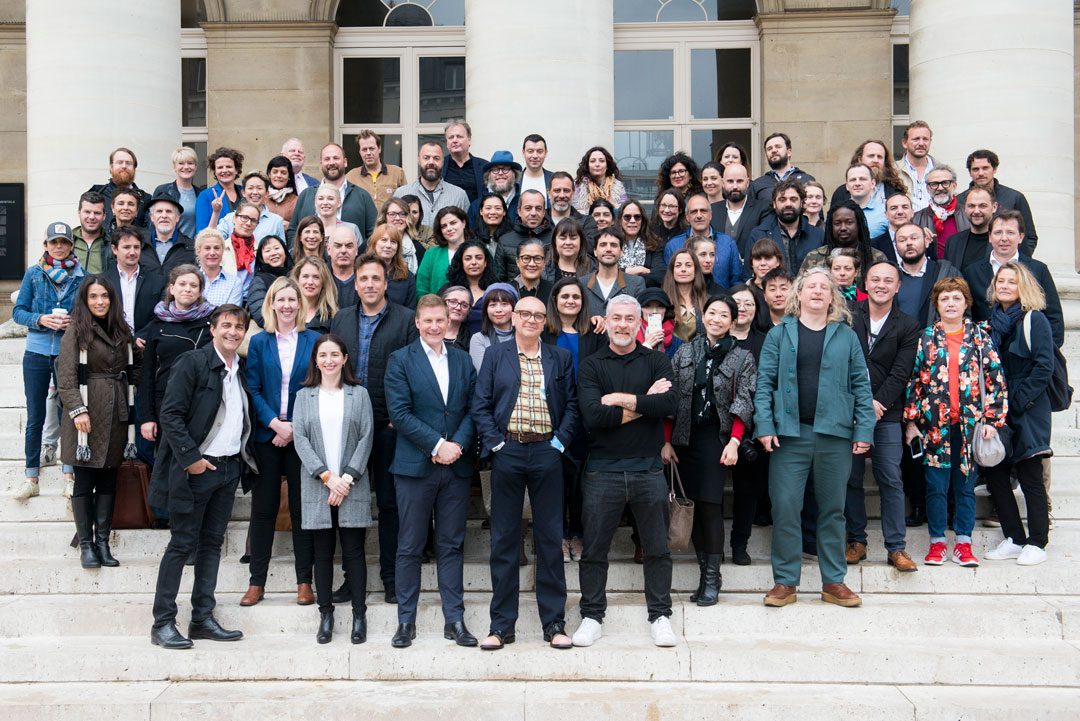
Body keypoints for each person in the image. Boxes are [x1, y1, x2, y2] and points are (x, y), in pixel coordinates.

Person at [754, 267, 875, 608]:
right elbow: (764, 385)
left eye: (825, 287)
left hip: (834, 435)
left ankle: (833, 581)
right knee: (787, 507)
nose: (818, 292)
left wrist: (864, 430)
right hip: (789, 437)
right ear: (800, 295)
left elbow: (862, 388)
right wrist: (764, 425)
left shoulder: (846, 336)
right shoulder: (779, 334)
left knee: (833, 510)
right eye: (812, 287)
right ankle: (785, 582)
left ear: (833, 297)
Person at [472, 295, 579, 650]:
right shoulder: (495, 355)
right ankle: (501, 625)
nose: (531, 319)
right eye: (525, 314)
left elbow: (573, 404)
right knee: (504, 539)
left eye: (537, 315)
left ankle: (554, 624)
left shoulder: (559, 357)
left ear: (544, 321)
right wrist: (496, 444)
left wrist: (560, 442)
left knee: (550, 539)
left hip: (548, 451)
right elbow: (481, 404)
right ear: (513, 318)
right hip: (509, 451)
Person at [572, 294, 678, 648]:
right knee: (594, 549)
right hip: (602, 470)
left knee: (657, 548)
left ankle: (660, 615)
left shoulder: (656, 360)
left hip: (648, 469)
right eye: (615, 318)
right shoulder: (590, 365)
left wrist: (618, 399)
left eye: (628, 319)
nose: (621, 325)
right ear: (607, 320)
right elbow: (593, 416)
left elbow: (668, 404)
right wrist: (643, 401)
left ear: (638, 323)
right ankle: (591, 616)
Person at [148, 304, 257, 649]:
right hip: (197, 469)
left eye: (239, 327)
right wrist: (192, 460)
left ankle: (201, 618)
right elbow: (171, 414)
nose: (233, 332)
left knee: (211, 545)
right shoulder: (193, 363)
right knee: (182, 545)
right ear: (212, 329)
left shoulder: (239, 370)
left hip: (227, 469)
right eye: (226, 325)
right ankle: (162, 623)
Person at [384, 294, 478, 648]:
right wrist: (438, 446)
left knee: (452, 546)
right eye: (429, 321)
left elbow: (473, 408)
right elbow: (400, 413)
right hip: (415, 468)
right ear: (418, 323)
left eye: (441, 319)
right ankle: (405, 621)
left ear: (448, 320)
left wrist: (457, 447)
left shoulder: (462, 359)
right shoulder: (400, 361)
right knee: (409, 546)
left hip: (456, 467)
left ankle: (454, 620)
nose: (436, 325)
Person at [330, 255, 418, 603]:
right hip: (347, 427)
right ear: (356, 283)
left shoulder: (405, 320)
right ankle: (352, 580)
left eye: (375, 279)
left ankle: (392, 578)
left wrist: (400, 415)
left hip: (387, 426)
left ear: (385, 284)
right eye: (363, 278)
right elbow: (331, 366)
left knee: (390, 504)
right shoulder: (341, 318)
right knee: (350, 505)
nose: (369, 284)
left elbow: (413, 369)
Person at [904, 277, 1006, 567]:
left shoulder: (980, 337)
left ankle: (963, 543)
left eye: (956, 298)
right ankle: (937, 543)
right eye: (944, 299)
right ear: (936, 304)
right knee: (935, 486)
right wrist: (911, 421)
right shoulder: (926, 337)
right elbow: (914, 382)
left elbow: (996, 379)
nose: (950, 303)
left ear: (966, 304)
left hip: (971, 426)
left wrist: (992, 419)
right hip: (934, 426)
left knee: (964, 486)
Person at [665, 295, 756, 605]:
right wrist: (666, 440)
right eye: (712, 312)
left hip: (715, 439)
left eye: (724, 315)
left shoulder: (742, 357)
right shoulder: (685, 351)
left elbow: (744, 400)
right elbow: (672, 397)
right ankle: (705, 572)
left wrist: (734, 440)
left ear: (733, 321)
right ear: (703, 316)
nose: (717, 318)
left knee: (709, 506)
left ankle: (712, 579)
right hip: (683, 439)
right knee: (689, 507)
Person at [241, 277, 319, 607]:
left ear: (300, 304)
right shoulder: (259, 343)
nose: (287, 305)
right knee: (264, 510)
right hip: (267, 436)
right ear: (271, 304)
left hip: (301, 438)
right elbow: (252, 390)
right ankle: (257, 582)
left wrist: (293, 428)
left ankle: (304, 582)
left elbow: (317, 388)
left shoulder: (314, 340)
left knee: (302, 511)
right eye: (280, 299)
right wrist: (275, 423)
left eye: (292, 299)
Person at [292, 333, 374, 644]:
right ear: (316, 360)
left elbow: (366, 438)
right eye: (323, 355)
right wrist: (328, 478)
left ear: (344, 358)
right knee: (322, 553)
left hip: (353, 483)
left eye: (334, 354)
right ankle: (325, 615)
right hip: (319, 485)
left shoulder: (359, 394)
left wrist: (346, 479)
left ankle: (359, 614)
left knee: (354, 551)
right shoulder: (303, 396)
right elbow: (300, 440)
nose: (329, 360)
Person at [57, 275, 140, 568]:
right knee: (84, 480)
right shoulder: (75, 332)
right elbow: (65, 378)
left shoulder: (122, 330)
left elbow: (135, 367)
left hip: (116, 413)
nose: (100, 301)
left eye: (104, 296)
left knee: (108, 479)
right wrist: (78, 410)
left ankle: (103, 543)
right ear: (85, 300)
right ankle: (87, 546)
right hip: (86, 415)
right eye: (93, 297)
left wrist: (138, 354)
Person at [843, 261, 921, 572]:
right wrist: (860, 405)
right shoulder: (848, 315)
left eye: (888, 280)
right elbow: (840, 363)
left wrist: (876, 404)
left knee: (890, 476)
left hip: (887, 414)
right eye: (875, 279)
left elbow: (901, 373)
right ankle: (856, 540)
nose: (881, 285)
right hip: (850, 412)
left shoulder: (908, 325)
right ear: (866, 283)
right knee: (850, 477)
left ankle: (896, 547)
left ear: (897, 286)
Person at [982, 262, 1053, 566]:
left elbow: (1044, 366)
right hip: (998, 409)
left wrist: (1019, 402)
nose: (1006, 285)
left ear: (1023, 287)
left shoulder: (1034, 320)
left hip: (1028, 408)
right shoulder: (991, 322)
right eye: (1002, 280)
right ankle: (1014, 538)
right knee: (997, 473)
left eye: (1012, 281)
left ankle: (1037, 541)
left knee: (1029, 475)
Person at [12, 222, 84, 501]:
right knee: (35, 417)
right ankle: (32, 477)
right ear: (46, 245)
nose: (59, 247)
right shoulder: (34, 273)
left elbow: (89, 316)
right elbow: (19, 312)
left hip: (67, 353)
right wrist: (41, 319)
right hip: (37, 353)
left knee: (68, 413)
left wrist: (73, 323)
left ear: (70, 246)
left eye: (64, 242)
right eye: (54, 242)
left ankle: (69, 475)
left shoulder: (82, 276)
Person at [963, 211, 1063, 346]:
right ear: (990, 237)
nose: (1004, 238)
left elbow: (1054, 320)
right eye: (998, 233)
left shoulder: (1038, 270)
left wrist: (1043, 355)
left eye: (1010, 233)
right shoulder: (972, 272)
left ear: (1021, 237)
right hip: (987, 356)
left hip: (1027, 359)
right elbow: (967, 317)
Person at [289, 143, 377, 246]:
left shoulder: (362, 196)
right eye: (327, 159)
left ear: (345, 162)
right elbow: (293, 230)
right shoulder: (306, 195)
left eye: (336, 158)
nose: (331, 163)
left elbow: (374, 234)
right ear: (321, 164)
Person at [957, 148, 1037, 254]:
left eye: (985, 168)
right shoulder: (959, 200)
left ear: (995, 169)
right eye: (975, 169)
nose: (980, 173)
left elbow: (1029, 237)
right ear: (970, 172)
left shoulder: (1014, 198)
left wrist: (1017, 263)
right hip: (970, 259)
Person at [663, 195, 742, 291]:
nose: (699, 215)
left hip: (720, 302)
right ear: (687, 217)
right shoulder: (673, 245)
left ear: (711, 215)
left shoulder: (728, 243)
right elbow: (669, 282)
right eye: (694, 212)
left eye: (703, 211)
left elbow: (736, 282)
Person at [800, 200, 887, 286]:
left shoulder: (876, 258)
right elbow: (800, 289)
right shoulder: (815, 257)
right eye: (837, 223)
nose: (843, 228)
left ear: (859, 225)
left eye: (849, 223)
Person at [893, 221, 962, 328]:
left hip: (936, 341)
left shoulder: (946, 273)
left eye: (914, 238)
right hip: (899, 342)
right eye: (902, 240)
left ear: (927, 241)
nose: (909, 243)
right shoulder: (890, 277)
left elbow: (963, 311)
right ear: (896, 246)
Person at [104, 226, 164, 337]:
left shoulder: (157, 281)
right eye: (126, 247)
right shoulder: (103, 281)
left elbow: (160, 316)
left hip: (145, 346)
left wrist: (140, 337)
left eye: (136, 247)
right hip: (111, 346)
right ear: (114, 249)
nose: (132, 252)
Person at [393, 141, 470, 225]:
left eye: (436, 158)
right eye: (426, 158)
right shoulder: (401, 193)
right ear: (419, 160)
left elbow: (466, 230)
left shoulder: (459, 195)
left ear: (443, 161)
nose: (431, 162)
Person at [583, 228, 646, 318]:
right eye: (603, 245)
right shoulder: (582, 284)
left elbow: (640, 319)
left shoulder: (636, 283)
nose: (608, 249)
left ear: (621, 252)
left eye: (614, 245)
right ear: (595, 251)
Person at [829, 139, 908, 209]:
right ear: (860, 159)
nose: (876, 160)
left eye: (879, 157)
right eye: (871, 156)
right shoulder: (841, 193)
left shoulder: (895, 192)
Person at [712, 162, 769, 257]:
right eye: (730, 181)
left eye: (739, 181)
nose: (735, 186)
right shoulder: (712, 211)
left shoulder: (762, 209)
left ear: (747, 183)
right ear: (723, 183)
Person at [345, 129, 407, 213]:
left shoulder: (397, 173)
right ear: (359, 152)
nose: (368, 153)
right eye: (364, 149)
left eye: (372, 148)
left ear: (379, 148)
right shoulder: (351, 177)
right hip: (362, 225)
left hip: (390, 225)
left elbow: (406, 202)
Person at [88, 147, 153, 228]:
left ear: (134, 169)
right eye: (120, 162)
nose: (124, 166)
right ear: (111, 167)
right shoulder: (97, 193)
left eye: (128, 163)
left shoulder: (146, 199)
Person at [495, 190, 552, 281]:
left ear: (544, 212)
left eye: (538, 208)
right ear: (519, 211)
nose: (533, 213)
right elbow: (500, 280)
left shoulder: (555, 239)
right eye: (528, 208)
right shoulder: (505, 241)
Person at [216, 172, 286, 245]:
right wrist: (216, 212)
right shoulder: (230, 218)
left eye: (259, 188)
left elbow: (281, 250)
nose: (255, 192)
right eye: (250, 188)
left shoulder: (276, 221)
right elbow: (213, 241)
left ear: (267, 193)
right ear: (243, 193)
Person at [416, 206, 472, 298]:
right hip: (437, 310)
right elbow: (421, 291)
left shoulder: (479, 250)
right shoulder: (431, 255)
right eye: (444, 226)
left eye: (453, 223)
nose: (449, 228)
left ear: (463, 223)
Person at [443, 238, 496, 334]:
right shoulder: (449, 289)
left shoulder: (496, 289)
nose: (474, 262)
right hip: (456, 344)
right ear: (461, 263)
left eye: (479, 258)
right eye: (468, 258)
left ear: (485, 263)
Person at [912, 165, 964, 259]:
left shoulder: (968, 215)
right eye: (934, 184)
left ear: (954, 186)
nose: (940, 188)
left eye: (945, 183)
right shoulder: (915, 220)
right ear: (927, 189)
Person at [748, 133, 815, 204]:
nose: (773, 150)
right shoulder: (757, 184)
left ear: (789, 152)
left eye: (778, 147)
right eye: (769, 149)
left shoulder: (807, 180)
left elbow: (817, 212)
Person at [942, 185, 997, 273]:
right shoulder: (953, 242)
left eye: (982, 206)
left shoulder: (1003, 241)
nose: (976, 211)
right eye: (971, 206)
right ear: (965, 208)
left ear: (994, 207)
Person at [142, 191, 197, 277]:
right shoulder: (140, 246)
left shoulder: (191, 248)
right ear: (152, 217)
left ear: (177, 217)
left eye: (169, 211)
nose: (164, 216)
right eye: (159, 211)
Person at [245, 235, 294, 327]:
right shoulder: (259, 281)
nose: (273, 253)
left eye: (276, 248)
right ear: (261, 257)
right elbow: (261, 316)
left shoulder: (296, 275)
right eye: (267, 251)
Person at [468, 283, 518, 372]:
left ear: (514, 308)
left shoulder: (527, 336)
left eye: (504, 304)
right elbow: (485, 374)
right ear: (486, 310)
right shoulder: (479, 339)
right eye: (492, 305)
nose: (498, 310)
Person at [467, 150, 522, 230]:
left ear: (514, 174)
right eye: (495, 170)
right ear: (488, 175)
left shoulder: (523, 203)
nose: (500, 173)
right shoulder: (476, 206)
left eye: (506, 169)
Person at [616, 201, 666, 288]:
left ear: (643, 221)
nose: (632, 221)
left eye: (637, 217)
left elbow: (659, 276)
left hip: (644, 295)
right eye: (627, 217)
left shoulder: (655, 244)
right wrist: (637, 270)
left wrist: (621, 274)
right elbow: (606, 274)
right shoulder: (611, 244)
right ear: (620, 220)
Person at [368, 224, 418, 310]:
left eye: (393, 242)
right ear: (374, 243)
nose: (388, 245)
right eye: (384, 240)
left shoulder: (407, 277)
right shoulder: (362, 272)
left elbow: (411, 311)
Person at [195, 147, 244, 233]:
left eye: (229, 166)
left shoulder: (245, 192)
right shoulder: (205, 196)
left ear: (236, 170)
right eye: (220, 167)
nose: (224, 170)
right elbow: (201, 232)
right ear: (215, 172)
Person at [663, 248, 707, 342]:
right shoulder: (662, 301)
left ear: (695, 270)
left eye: (688, 265)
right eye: (678, 266)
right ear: (672, 270)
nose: (683, 269)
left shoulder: (707, 301)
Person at [194, 229, 244, 308]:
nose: (212, 253)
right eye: (207, 248)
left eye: (217, 248)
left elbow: (230, 315)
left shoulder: (234, 283)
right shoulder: (190, 280)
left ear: (223, 251)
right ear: (198, 251)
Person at [291, 255, 338, 336]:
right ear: (297, 279)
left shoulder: (333, 317)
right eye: (305, 276)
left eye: (316, 277)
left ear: (323, 282)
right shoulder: (287, 311)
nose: (310, 282)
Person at [442, 119, 487, 204]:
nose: (455, 140)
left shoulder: (484, 167)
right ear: (447, 143)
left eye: (459, 136)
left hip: (476, 216)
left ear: (469, 140)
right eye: (451, 137)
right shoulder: (440, 166)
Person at [307, 183, 363, 250]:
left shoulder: (351, 229)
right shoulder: (307, 230)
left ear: (339, 203)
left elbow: (361, 258)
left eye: (330, 199)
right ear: (315, 203)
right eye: (321, 199)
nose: (325, 202)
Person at [572, 146, 627, 213]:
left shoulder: (618, 186)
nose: (597, 164)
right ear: (587, 165)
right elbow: (577, 213)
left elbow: (623, 211)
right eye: (592, 161)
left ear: (607, 166)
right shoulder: (578, 186)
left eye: (602, 161)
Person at [379, 196, 426, 271]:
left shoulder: (418, 249)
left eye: (402, 214)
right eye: (392, 214)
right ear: (384, 217)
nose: (397, 218)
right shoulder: (370, 244)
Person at [841, 163, 887, 238]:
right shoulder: (836, 213)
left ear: (872, 183)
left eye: (862, 179)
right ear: (847, 186)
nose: (857, 183)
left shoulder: (884, 212)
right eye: (853, 180)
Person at [898, 120, 936, 212]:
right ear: (904, 143)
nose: (921, 143)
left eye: (925, 139)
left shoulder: (941, 170)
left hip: (936, 224)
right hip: (904, 224)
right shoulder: (893, 171)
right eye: (916, 139)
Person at [543, 217, 596, 282]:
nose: (568, 242)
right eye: (563, 238)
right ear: (555, 241)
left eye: (573, 238)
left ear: (581, 241)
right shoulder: (543, 271)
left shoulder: (594, 271)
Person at [473, 193, 512, 278]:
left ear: (504, 212)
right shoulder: (473, 240)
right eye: (488, 208)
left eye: (498, 208)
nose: (493, 212)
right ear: (481, 211)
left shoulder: (512, 239)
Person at [870, 192, 915, 264]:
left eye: (905, 207)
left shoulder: (925, 241)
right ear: (886, 214)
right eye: (894, 208)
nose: (900, 212)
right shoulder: (873, 245)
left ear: (912, 212)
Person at [71, 192, 110, 274]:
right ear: (79, 213)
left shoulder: (111, 243)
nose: (92, 217)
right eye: (87, 212)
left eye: (97, 213)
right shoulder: (67, 240)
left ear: (104, 216)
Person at [326, 224, 360, 309]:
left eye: (349, 246)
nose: (343, 251)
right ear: (329, 249)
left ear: (356, 250)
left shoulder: (366, 280)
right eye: (338, 245)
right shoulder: (320, 279)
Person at [512, 237, 554, 305]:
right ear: (517, 262)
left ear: (544, 262)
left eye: (537, 259)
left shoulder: (553, 292)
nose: (532, 264)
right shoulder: (506, 291)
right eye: (526, 258)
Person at [264, 156, 299, 229]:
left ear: (289, 176)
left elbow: (304, 227)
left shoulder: (297, 201)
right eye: (275, 172)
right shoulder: (262, 199)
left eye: (283, 173)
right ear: (269, 174)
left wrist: (290, 227)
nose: (279, 175)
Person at [439, 285, 474, 352]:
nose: (458, 308)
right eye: (453, 302)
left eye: (464, 305)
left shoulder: (470, 341)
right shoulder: (425, 330)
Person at [519, 133, 553, 198]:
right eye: (530, 151)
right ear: (523, 153)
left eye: (539, 151)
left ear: (545, 153)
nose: (535, 156)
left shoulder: (554, 180)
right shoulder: (514, 181)